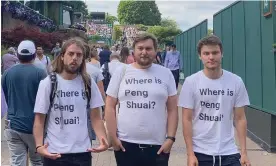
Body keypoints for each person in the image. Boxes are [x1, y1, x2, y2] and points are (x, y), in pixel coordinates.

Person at [105, 32, 178, 166]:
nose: (144, 52)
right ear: (133, 51)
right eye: (140, 48)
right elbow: (109, 106)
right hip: (125, 144)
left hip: (157, 146)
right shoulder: (122, 72)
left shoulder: (166, 74)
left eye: (149, 48)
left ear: (156, 51)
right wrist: (112, 137)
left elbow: (173, 109)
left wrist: (170, 138)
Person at [33, 38, 109, 166]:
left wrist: (103, 139)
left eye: (79, 55)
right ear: (62, 56)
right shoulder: (48, 83)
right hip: (54, 153)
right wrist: (39, 146)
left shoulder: (88, 83)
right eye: (71, 54)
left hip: (82, 153)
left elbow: (96, 117)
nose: (75, 58)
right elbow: (39, 119)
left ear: (83, 59)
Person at [178, 35, 251, 166]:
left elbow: (240, 118)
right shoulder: (191, 82)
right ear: (200, 56)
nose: (211, 57)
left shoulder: (236, 81)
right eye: (206, 53)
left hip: (229, 152)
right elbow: (186, 119)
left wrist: (244, 152)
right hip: (200, 152)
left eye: (215, 53)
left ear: (221, 54)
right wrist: (190, 154)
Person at [2, 40, 46, 166]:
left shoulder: (7, 73)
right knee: (37, 161)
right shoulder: (40, 73)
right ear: (34, 55)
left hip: (12, 124)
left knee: (17, 161)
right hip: (33, 126)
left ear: (18, 55)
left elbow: (6, 96)